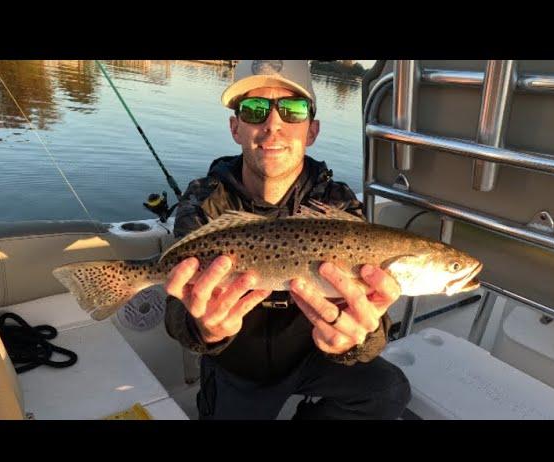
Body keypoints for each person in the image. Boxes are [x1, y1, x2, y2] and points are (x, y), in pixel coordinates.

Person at [163, 60, 411, 420]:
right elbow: (175, 307)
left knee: (389, 391)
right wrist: (204, 329)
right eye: (254, 109)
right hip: (237, 366)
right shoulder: (205, 201)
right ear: (236, 127)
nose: (272, 125)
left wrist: (355, 340)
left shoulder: (338, 205)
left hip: (312, 355)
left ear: (312, 130)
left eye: (292, 110)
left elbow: (373, 314)